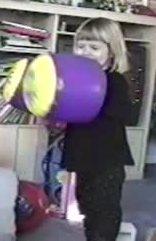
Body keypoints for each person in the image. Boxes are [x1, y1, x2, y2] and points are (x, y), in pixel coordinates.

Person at [62, 17, 135, 241]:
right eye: (80, 46)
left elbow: (121, 114)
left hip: (107, 158)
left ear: (111, 52)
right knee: (86, 205)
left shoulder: (114, 81)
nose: (86, 52)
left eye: (94, 47)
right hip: (82, 154)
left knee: (105, 209)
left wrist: (84, 98)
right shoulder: (75, 78)